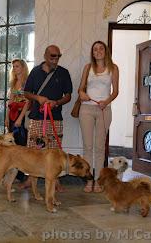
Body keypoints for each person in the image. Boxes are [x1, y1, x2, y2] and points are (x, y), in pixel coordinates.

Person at [24, 45, 73, 192]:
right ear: (45, 55)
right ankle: (30, 179)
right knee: (33, 150)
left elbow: (68, 96)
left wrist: (56, 103)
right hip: (36, 117)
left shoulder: (64, 73)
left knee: (55, 151)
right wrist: (37, 97)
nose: (56, 59)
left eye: (58, 56)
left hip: (55, 118)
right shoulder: (35, 72)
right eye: (53, 56)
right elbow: (26, 93)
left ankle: (55, 180)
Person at [78, 41, 119, 193]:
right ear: (92, 53)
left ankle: (98, 181)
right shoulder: (88, 68)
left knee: (100, 147)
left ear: (105, 51)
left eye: (101, 48)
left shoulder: (113, 68)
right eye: (95, 49)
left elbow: (115, 91)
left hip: (104, 110)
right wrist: (82, 94)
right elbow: (80, 88)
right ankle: (88, 181)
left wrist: (106, 101)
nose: (98, 51)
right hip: (86, 109)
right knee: (88, 147)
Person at [4, 59, 30, 185]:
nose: (15, 68)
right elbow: (10, 102)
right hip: (13, 114)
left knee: (21, 145)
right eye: (13, 66)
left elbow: (28, 102)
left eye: (17, 66)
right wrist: (7, 117)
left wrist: (20, 118)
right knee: (12, 145)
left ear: (23, 67)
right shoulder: (13, 82)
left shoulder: (28, 82)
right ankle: (11, 172)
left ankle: (20, 174)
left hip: (22, 115)